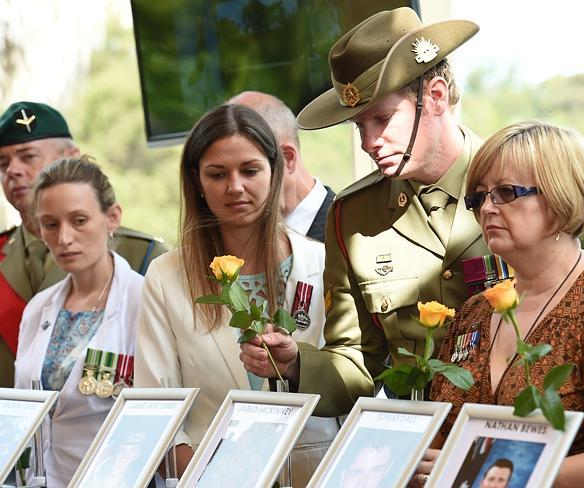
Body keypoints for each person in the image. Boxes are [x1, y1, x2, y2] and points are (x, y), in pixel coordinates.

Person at [239, 7, 584, 417]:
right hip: (427, 450)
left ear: (437, 96)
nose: (368, 143)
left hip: (545, 432)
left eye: (382, 119)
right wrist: (297, 364)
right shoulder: (354, 218)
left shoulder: (543, 183)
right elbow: (358, 360)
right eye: (359, 126)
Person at [429, 121, 584, 486]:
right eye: (479, 196)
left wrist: (482, 473)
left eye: (506, 192)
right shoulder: (474, 312)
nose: (487, 208)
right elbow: (441, 442)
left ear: (562, 196)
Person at [134, 103, 338, 487]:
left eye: (250, 170)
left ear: (276, 169)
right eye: (217, 174)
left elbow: (355, 376)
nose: (235, 187)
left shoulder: (323, 261)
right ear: (196, 180)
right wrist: (211, 474)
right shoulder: (165, 277)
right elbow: (155, 412)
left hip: (318, 474)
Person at [0, 101, 168, 387]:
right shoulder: (31, 295)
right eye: (3, 163)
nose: (12, 170)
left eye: (28, 157)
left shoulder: (144, 255)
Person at [13, 156, 143, 487]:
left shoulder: (142, 301)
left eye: (79, 220)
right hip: (39, 479)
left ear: (112, 217)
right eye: (51, 224)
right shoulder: (38, 308)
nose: (64, 238)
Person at [228, 90, 336, 242]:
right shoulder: (241, 240)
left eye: (249, 170)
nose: (234, 187)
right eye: (220, 173)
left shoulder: (351, 231)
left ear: (287, 157)